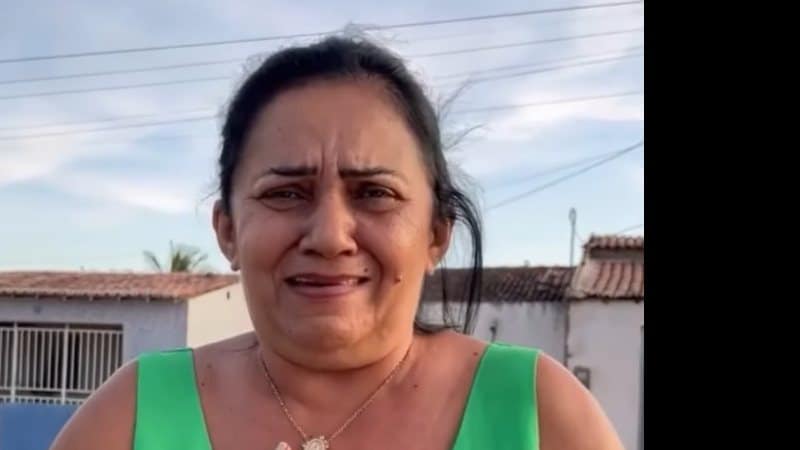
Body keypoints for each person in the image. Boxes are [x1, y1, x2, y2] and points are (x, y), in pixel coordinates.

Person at [51, 35, 624, 450]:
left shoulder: (541, 416)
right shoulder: (128, 419)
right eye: (285, 193)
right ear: (227, 230)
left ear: (436, 233)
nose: (329, 237)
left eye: (375, 193)